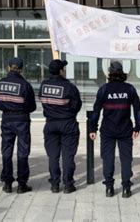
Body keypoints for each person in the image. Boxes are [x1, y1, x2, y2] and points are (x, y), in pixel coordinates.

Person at [89, 61, 140, 198]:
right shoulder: (129, 89)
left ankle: (109, 187)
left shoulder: (104, 89)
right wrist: (138, 126)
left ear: (110, 73)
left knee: (107, 159)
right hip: (125, 129)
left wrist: (92, 129)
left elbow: (96, 111)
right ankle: (126, 188)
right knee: (126, 159)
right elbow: (138, 109)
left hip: (107, 130)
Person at [39, 59, 82, 194]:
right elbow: (77, 105)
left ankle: (55, 184)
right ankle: (68, 184)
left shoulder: (44, 85)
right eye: (64, 68)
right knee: (68, 156)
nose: (65, 70)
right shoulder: (69, 87)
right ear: (61, 70)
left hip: (50, 123)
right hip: (67, 124)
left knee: (53, 156)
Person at [0, 57, 36, 194]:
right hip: (22, 120)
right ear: (21, 69)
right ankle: (22, 184)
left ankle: (7, 183)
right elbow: (32, 106)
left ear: (8, 67)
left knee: (6, 150)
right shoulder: (25, 85)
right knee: (23, 151)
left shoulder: (1, 83)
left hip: (6, 119)